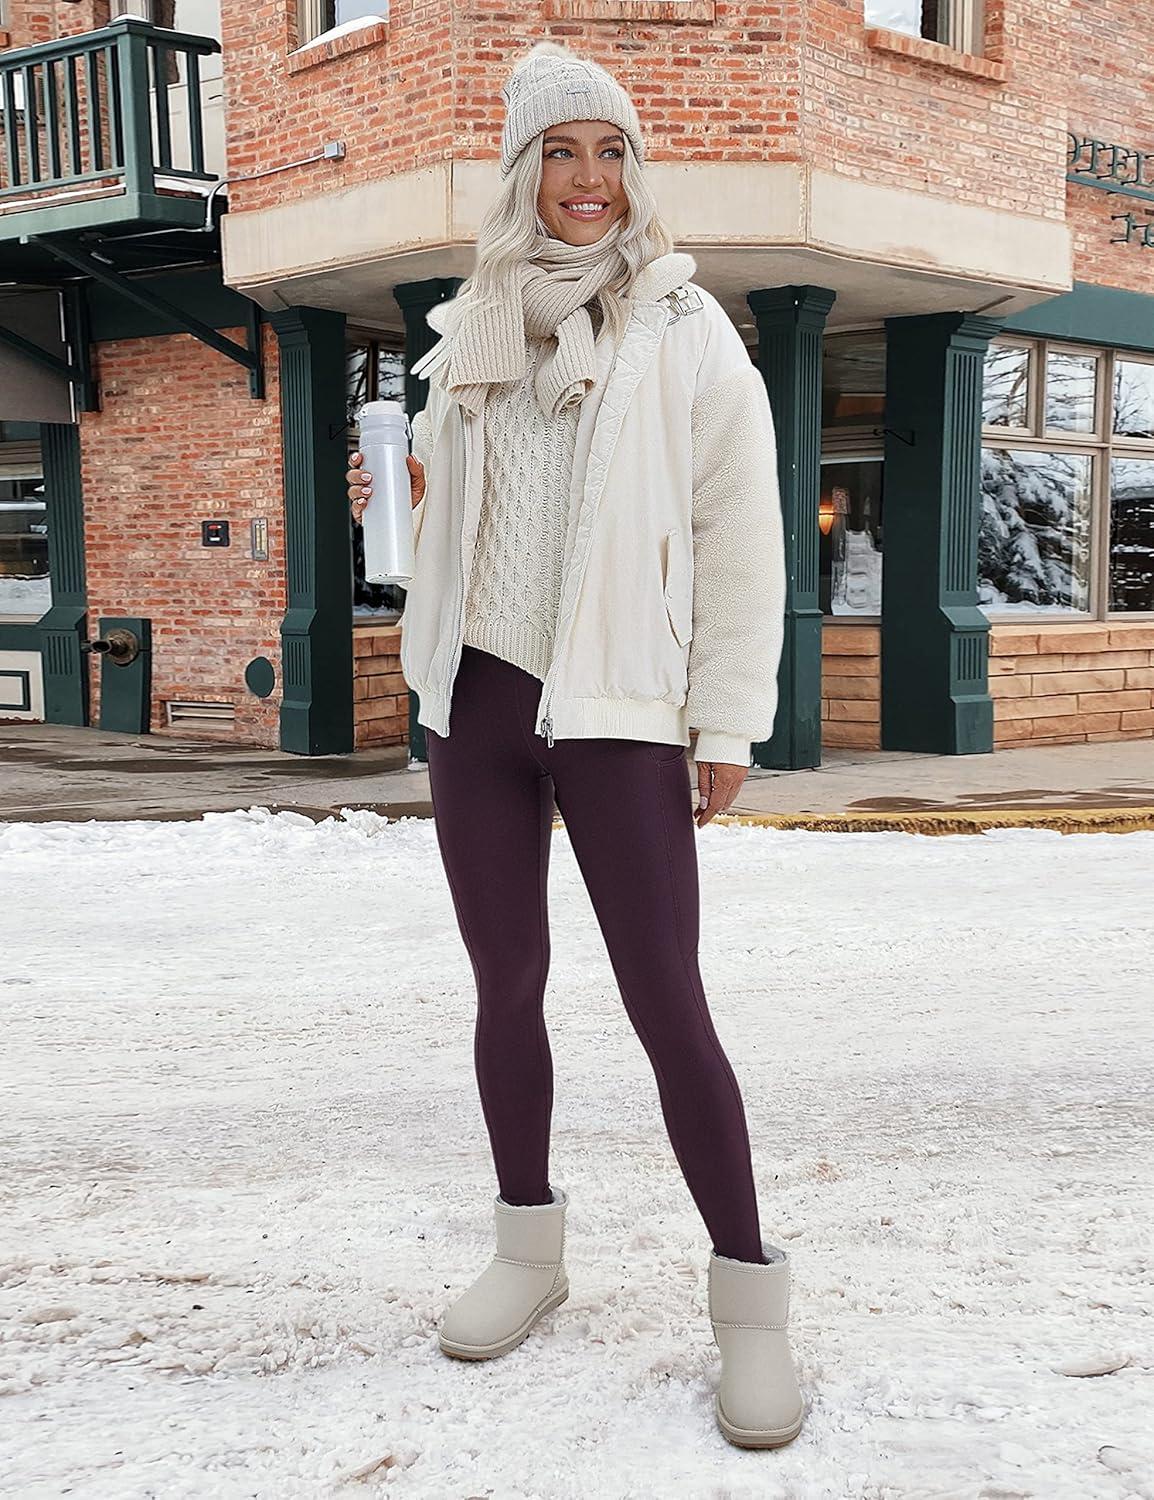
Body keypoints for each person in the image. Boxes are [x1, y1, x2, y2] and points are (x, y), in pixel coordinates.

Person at [348, 40, 805, 1450]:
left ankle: (750, 1307)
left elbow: (738, 535)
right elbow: (456, 525)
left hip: (618, 713)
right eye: (559, 151)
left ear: (635, 169)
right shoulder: (467, 331)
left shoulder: (687, 331)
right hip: (475, 707)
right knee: (507, 986)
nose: (587, 179)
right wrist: (406, 500)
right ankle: (527, 1249)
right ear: (521, 170)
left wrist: (724, 715)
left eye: (609, 150)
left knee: (668, 1002)